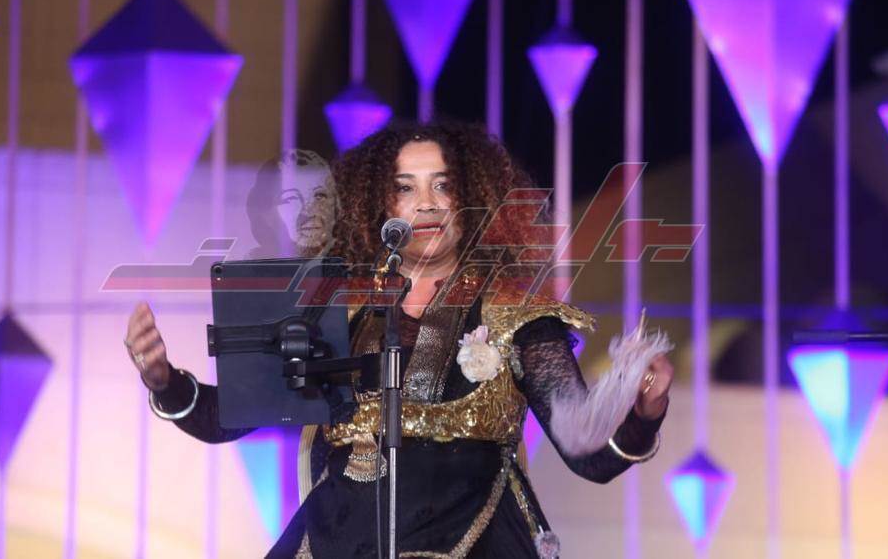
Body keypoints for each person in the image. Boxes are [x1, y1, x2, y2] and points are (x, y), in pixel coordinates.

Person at [124, 122, 673, 558]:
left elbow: (589, 455)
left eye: (443, 185)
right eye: (405, 188)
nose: (426, 203)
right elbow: (225, 418)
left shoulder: (517, 315)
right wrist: (165, 381)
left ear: (471, 199)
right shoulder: (333, 308)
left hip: (474, 538)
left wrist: (644, 413)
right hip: (338, 539)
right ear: (379, 208)